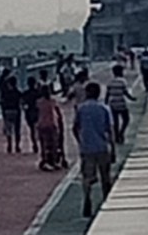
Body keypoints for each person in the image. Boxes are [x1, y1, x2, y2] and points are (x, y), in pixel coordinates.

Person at [74, 81, 115, 219]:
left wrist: (80, 141)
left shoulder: (81, 109)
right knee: (105, 177)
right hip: (102, 147)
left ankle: (87, 200)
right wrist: (113, 148)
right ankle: (107, 200)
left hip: (87, 148)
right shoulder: (104, 108)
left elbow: (75, 127)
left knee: (87, 177)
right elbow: (110, 130)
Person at [35, 83, 68, 171]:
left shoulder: (39, 102)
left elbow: (36, 114)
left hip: (44, 124)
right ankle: (52, 161)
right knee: (53, 144)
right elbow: (58, 113)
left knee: (45, 144)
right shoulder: (53, 101)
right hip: (51, 124)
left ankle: (47, 160)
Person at [106, 64, 134, 145]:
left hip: (113, 103)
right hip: (121, 103)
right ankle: (121, 133)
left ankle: (117, 136)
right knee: (126, 119)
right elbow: (125, 93)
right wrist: (132, 98)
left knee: (116, 122)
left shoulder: (110, 82)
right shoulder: (122, 81)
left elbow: (107, 94)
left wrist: (106, 102)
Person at [0, 74, 24, 154]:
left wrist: (3, 113)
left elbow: (3, 103)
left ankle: (9, 144)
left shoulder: (5, 93)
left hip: (7, 111)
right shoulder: (18, 92)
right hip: (16, 111)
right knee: (17, 129)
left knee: (9, 129)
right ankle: (17, 145)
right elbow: (22, 101)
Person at [21, 75, 43, 154]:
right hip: (37, 112)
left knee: (32, 130)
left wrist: (24, 108)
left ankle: (34, 143)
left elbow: (23, 103)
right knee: (39, 129)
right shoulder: (38, 93)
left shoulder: (26, 93)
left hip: (29, 112)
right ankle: (40, 144)